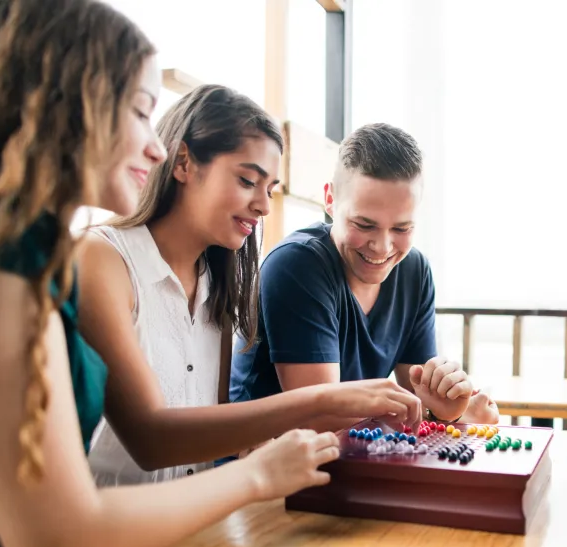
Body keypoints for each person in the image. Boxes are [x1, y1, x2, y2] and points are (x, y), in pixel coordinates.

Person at [0, 0, 340, 547]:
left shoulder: (15, 256)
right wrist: (260, 475)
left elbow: (43, 520)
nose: (155, 149)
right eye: (140, 111)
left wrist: (97, 546)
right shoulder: (5, 272)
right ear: (59, 105)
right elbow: (59, 538)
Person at [76, 85, 420, 487]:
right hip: (111, 530)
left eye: (270, 188)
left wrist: (264, 448)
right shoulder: (102, 259)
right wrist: (322, 400)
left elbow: (217, 431)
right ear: (183, 162)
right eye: (247, 180)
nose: (264, 205)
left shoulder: (218, 283)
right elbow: (151, 440)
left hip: (195, 524)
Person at [228, 123, 500, 426]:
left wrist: (449, 408)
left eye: (402, 228)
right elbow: (323, 418)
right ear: (330, 200)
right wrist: (435, 414)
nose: (382, 247)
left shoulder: (413, 270)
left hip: (348, 460)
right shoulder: (296, 265)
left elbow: (421, 397)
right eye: (365, 224)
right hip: (261, 461)